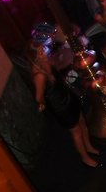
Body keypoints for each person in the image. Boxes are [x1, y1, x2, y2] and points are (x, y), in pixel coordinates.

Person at [31, 30, 99, 169]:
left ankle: (89, 147)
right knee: (76, 131)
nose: (44, 53)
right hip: (59, 104)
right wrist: (42, 103)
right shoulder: (39, 75)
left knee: (82, 121)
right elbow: (38, 96)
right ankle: (85, 158)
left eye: (43, 50)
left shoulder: (46, 62)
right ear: (35, 57)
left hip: (67, 95)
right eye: (40, 52)